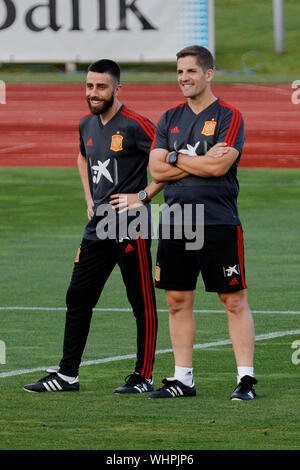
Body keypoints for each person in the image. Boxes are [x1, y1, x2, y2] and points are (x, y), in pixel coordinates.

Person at [24, 59, 163, 394]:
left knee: (140, 301)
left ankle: (143, 376)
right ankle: (67, 374)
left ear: (117, 88)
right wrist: (89, 197)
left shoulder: (135, 124)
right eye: (89, 86)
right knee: (78, 296)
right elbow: (82, 158)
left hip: (132, 224)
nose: (94, 92)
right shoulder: (86, 124)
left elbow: (168, 160)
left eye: (101, 86)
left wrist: (142, 196)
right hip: (98, 226)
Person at [148, 45, 257, 400]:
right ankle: (183, 379)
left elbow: (218, 167)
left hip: (218, 220)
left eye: (191, 72)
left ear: (208, 74)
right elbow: (156, 169)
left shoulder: (229, 115)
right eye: (179, 72)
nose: (184, 78)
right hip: (176, 220)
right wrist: (192, 159)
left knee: (232, 299)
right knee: (177, 299)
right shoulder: (168, 118)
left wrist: (176, 157)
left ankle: (245, 379)